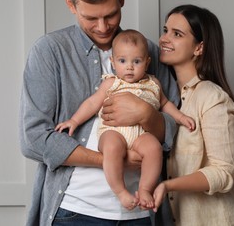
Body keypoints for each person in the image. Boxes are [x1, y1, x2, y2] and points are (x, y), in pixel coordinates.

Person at [19, 0, 180, 225]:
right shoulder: (49, 52)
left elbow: (173, 130)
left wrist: (146, 114)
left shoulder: (147, 50)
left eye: (111, 15)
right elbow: (34, 139)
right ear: (71, 4)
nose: (103, 27)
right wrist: (110, 160)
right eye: (91, 18)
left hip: (141, 214)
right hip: (75, 211)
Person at [55, 29, 195, 210]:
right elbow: (91, 104)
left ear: (147, 62)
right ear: (113, 62)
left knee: (153, 147)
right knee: (112, 147)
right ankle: (120, 191)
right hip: (114, 132)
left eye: (136, 61)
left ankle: (145, 189)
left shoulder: (153, 84)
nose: (129, 67)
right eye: (122, 61)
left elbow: (166, 104)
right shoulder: (111, 83)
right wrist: (73, 121)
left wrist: (181, 117)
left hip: (140, 135)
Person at [152, 4, 234, 225]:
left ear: (199, 48)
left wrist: (168, 185)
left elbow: (224, 172)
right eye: (165, 30)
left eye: (177, 34)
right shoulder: (163, 97)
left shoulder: (214, 99)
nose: (164, 38)